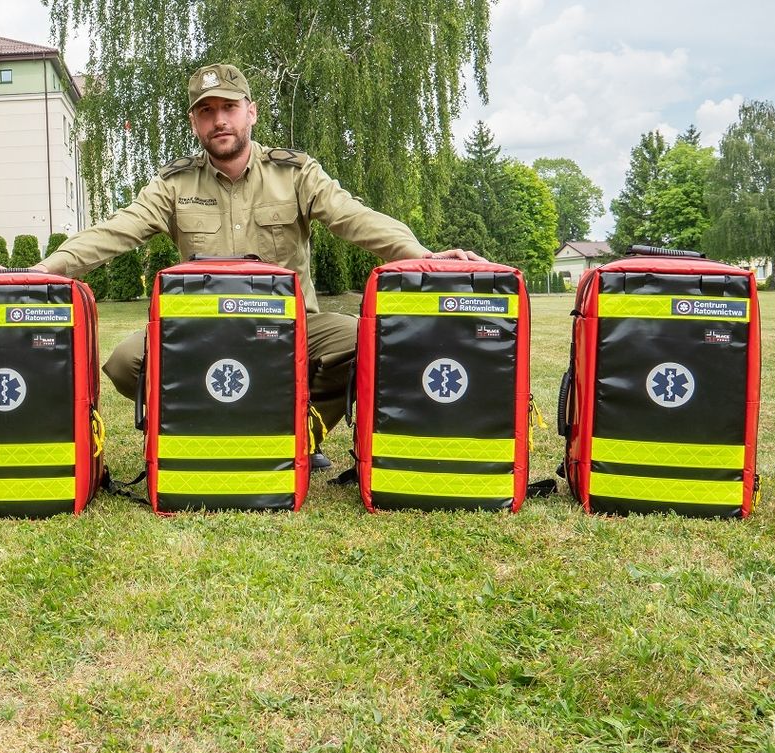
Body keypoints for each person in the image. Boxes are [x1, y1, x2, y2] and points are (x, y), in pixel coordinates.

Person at [24, 62, 483, 468]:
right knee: (127, 361)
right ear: (194, 122)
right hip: (201, 326)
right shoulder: (173, 185)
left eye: (229, 107)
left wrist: (420, 256)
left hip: (291, 324)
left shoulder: (295, 173)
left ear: (251, 111)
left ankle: (302, 433)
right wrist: (48, 270)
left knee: (362, 339)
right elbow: (117, 229)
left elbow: (353, 218)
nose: (219, 120)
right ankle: (201, 430)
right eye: (207, 111)